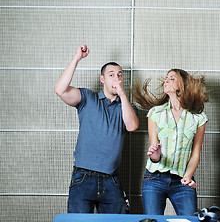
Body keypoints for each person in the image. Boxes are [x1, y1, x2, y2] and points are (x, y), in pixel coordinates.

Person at [54, 45, 139, 214]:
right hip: (83, 177)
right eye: (112, 75)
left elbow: (132, 126)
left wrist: (122, 94)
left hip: (111, 179)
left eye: (120, 75)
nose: (117, 78)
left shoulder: (127, 107)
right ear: (102, 79)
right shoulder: (88, 98)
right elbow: (60, 90)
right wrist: (77, 58)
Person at [131, 69, 209, 216]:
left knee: (189, 220)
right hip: (154, 178)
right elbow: (155, 153)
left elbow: (195, 153)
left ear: (182, 85)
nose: (166, 81)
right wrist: (155, 156)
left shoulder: (198, 118)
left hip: (182, 181)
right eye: (166, 78)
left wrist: (188, 176)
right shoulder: (155, 113)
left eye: (172, 78)